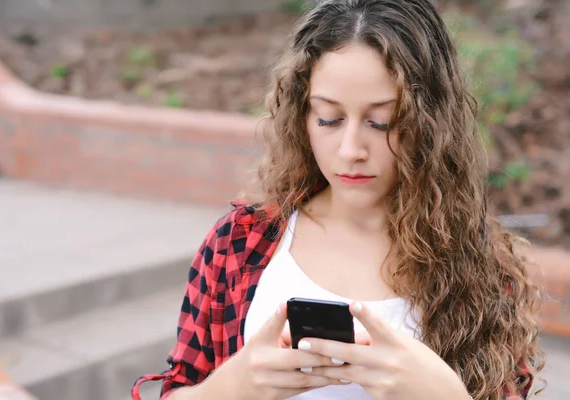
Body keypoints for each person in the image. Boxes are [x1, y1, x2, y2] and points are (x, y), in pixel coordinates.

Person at [132, 0, 546, 399]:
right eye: (329, 118)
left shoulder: (477, 262)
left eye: (382, 122)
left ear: (430, 124)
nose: (351, 149)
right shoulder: (240, 244)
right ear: (301, 114)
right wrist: (230, 389)